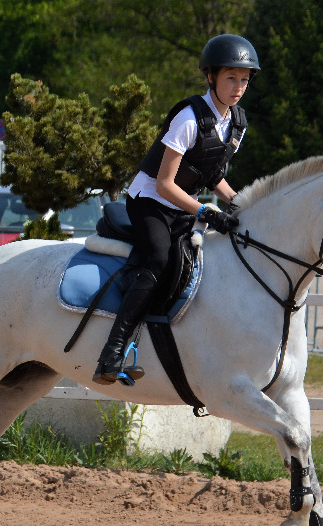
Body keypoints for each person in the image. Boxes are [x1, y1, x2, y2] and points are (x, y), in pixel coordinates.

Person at [93, 33, 259, 385]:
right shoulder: (188, 118)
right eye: (231, 78)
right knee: (158, 259)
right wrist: (204, 211)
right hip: (150, 201)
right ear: (211, 76)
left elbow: (213, 175)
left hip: (181, 204)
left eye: (244, 80)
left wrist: (241, 204)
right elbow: (164, 184)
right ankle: (112, 353)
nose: (238, 87)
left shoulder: (237, 123)